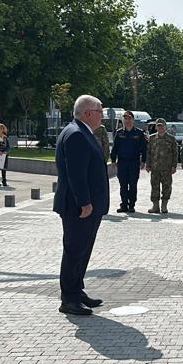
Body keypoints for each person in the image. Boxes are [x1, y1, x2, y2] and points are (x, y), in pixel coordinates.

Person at [53, 95, 110, 316]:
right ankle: (69, 298)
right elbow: (76, 174)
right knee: (75, 252)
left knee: (82, 251)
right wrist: (85, 203)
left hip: (86, 207)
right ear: (88, 113)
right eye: (99, 111)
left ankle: (77, 290)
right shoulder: (76, 134)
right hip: (79, 208)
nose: (102, 115)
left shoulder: (80, 131)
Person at [110, 111, 147, 213]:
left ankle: (131, 205)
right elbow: (115, 148)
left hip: (134, 163)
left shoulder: (139, 133)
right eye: (126, 119)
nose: (128, 121)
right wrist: (113, 160)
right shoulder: (119, 133)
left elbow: (144, 148)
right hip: (122, 162)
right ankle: (124, 204)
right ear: (123, 120)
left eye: (129, 118)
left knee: (133, 184)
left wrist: (144, 161)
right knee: (123, 184)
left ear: (133, 120)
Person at [146, 118, 179, 214]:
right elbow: (148, 153)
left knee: (167, 187)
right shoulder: (152, 138)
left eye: (162, 126)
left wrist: (174, 166)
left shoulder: (171, 139)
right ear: (156, 127)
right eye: (158, 126)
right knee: (154, 188)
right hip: (155, 168)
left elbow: (175, 153)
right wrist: (148, 165)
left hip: (167, 168)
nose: (160, 128)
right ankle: (155, 206)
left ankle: (164, 205)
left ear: (165, 127)